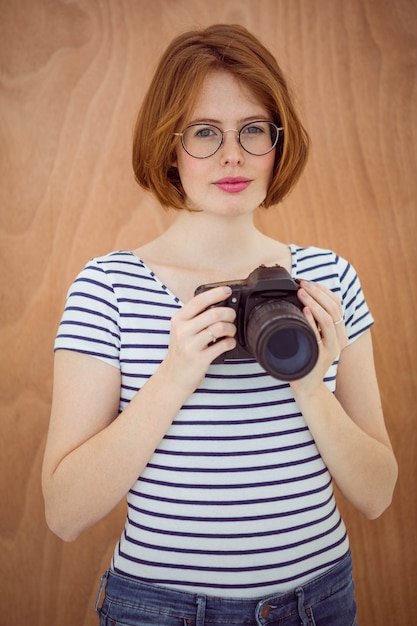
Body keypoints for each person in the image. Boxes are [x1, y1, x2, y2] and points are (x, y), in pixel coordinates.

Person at [42, 24, 398, 626]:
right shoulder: (108, 287)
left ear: (277, 143)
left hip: (318, 602)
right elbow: (65, 513)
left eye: (252, 129)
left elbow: (377, 493)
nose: (232, 156)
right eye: (204, 132)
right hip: (160, 610)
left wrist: (311, 386)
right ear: (168, 147)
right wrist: (174, 376)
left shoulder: (329, 279)